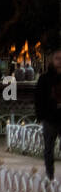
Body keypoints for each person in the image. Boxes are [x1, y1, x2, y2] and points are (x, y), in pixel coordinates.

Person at [34, 49, 61, 180]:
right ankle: (50, 175)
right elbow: (38, 98)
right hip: (50, 118)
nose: (59, 61)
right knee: (49, 148)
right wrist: (41, 116)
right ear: (52, 60)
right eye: (57, 58)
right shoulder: (45, 79)